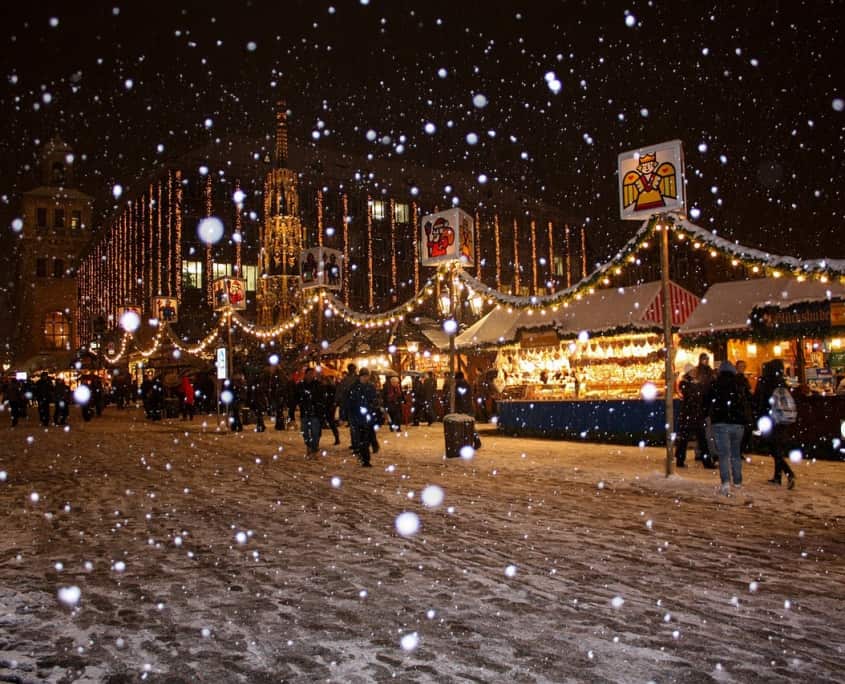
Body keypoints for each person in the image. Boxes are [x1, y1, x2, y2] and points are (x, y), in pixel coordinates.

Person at [704, 361, 749, 496]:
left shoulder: (715, 385)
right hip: (738, 423)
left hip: (720, 423)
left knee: (724, 454)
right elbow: (746, 402)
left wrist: (707, 414)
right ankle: (738, 481)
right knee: (735, 453)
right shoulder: (739, 384)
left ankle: (725, 482)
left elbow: (706, 402)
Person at [753, 359, 796, 489]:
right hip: (782, 418)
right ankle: (778, 476)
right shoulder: (782, 382)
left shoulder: (765, 381)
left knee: (772, 447)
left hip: (769, 418)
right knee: (778, 447)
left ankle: (788, 473)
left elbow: (759, 400)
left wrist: (758, 417)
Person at [674, 364, 712, 468]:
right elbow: (691, 396)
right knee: (685, 439)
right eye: (692, 371)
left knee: (701, 439)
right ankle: (680, 460)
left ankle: (707, 461)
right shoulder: (685, 383)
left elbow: (700, 397)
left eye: (695, 371)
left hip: (695, 414)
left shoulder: (696, 383)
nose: (695, 372)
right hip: (689, 414)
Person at [345, 367, 379, 467]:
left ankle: (365, 456)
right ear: (360, 376)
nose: (365, 378)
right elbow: (349, 402)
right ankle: (364, 458)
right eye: (364, 376)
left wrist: (373, 407)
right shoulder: (354, 387)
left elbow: (375, 399)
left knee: (366, 438)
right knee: (360, 438)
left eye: (366, 376)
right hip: (357, 416)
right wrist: (348, 414)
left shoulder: (370, 387)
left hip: (367, 416)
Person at [290, 367, 324, 458]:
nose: (310, 376)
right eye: (309, 374)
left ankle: (314, 448)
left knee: (315, 433)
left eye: (312, 374)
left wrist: (321, 410)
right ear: (305, 374)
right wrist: (292, 413)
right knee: (305, 433)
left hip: (315, 413)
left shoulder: (317, 385)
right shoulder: (300, 386)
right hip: (305, 412)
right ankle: (309, 446)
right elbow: (295, 399)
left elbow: (321, 399)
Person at [735, 359, 754, 454]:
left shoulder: (744, 379)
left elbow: (748, 391)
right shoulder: (736, 379)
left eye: (743, 366)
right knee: (744, 428)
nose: (742, 368)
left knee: (747, 428)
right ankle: (739, 449)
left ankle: (741, 449)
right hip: (740, 407)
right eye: (740, 366)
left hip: (744, 406)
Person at [320, 374, 340, 445]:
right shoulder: (325, 388)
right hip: (327, 406)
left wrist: (333, 404)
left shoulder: (330, 388)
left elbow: (333, 398)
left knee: (331, 422)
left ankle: (337, 438)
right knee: (329, 422)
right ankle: (337, 438)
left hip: (329, 406)